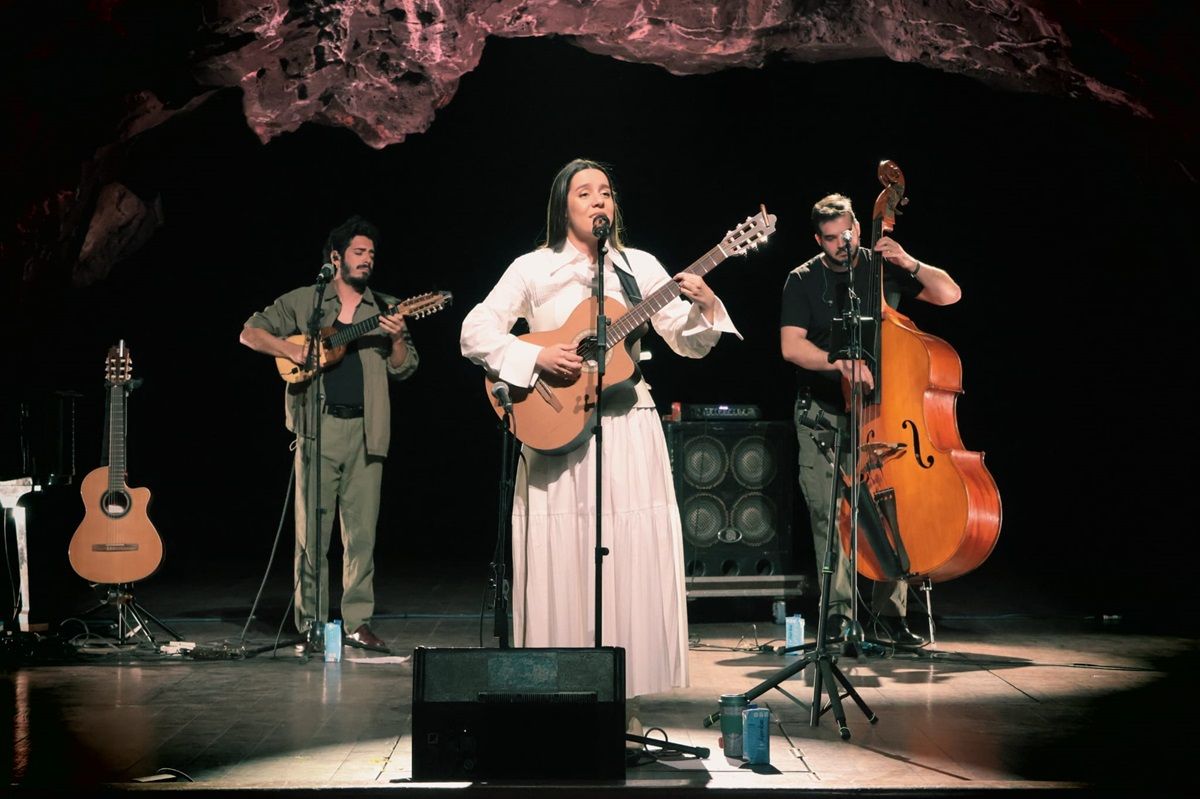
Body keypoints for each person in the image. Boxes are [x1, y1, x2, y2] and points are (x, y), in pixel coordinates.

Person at [460, 158, 740, 732]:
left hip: (628, 423)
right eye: (585, 192)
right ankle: (554, 698)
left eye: (606, 192)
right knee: (564, 554)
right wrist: (535, 355)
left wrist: (707, 304)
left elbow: (688, 344)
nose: (598, 201)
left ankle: (624, 704)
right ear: (562, 205)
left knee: (626, 558)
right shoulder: (533, 267)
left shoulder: (640, 269)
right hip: (555, 429)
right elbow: (474, 331)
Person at [779, 193, 961, 648]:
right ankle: (840, 618)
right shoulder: (801, 279)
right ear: (817, 240)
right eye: (832, 238)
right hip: (824, 416)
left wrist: (910, 262)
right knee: (831, 517)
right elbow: (791, 346)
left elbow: (950, 293)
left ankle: (890, 617)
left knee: (890, 509)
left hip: (884, 415)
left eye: (849, 233)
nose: (843, 243)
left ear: (860, 226)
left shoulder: (881, 267)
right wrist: (836, 363)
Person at [240, 214, 419, 654]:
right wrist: (293, 348)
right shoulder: (307, 301)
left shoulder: (386, 308)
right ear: (336, 258)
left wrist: (396, 339)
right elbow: (249, 333)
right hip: (317, 430)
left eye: (372, 254)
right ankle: (312, 625)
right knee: (311, 535)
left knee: (361, 536)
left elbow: (406, 367)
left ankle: (358, 623)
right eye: (359, 253)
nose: (367, 260)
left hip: (365, 433)